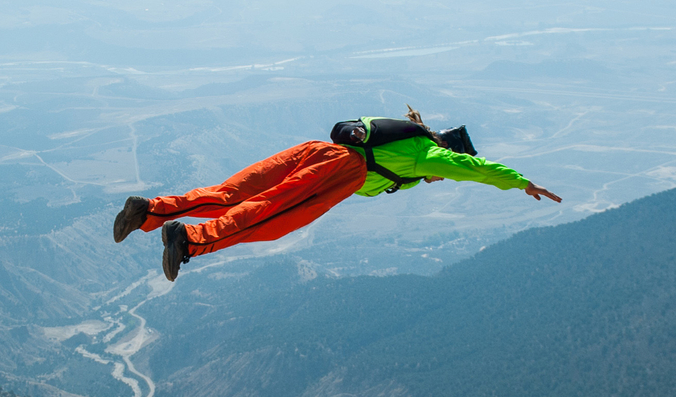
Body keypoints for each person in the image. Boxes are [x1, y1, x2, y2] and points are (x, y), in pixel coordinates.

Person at [114, 111, 563, 281]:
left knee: (232, 192)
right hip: (341, 171)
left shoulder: (406, 135)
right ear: (448, 151)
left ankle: (149, 211)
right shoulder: (429, 154)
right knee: (271, 218)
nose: (441, 178)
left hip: (319, 150)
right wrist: (521, 181)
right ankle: (188, 240)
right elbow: (474, 169)